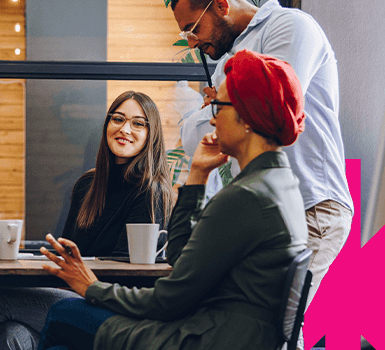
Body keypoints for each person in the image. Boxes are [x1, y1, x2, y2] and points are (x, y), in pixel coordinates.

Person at [34, 50, 308, 350]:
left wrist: (93, 288)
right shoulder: (279, 185)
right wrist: (198, 174)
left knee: (63, 314)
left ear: (246, 116)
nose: (212, 118)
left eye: (218, 105)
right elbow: (180, 258)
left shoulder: (245, 197)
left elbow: (167, 300)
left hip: (201, 339)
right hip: (225, 333)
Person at [170, 0, 352, 311]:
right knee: (247, 326)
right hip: (262, 213)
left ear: (221, 5)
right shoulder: (230, 57)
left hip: (308, 206)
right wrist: (220, 110)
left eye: (193, 28)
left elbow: (267, 109)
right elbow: (201, 140)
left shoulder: (290, 27)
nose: (192, 42)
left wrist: (213, 109)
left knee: (275, 327)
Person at [0, 91, 175, 350]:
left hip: (115, 309)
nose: (125, 128)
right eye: (117, 119)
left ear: (150, 134)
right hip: (75, 296)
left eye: (138, 123)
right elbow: (68, 257)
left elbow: (131, 277)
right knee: (11, 334)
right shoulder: (87, 184)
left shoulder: (152, 190)